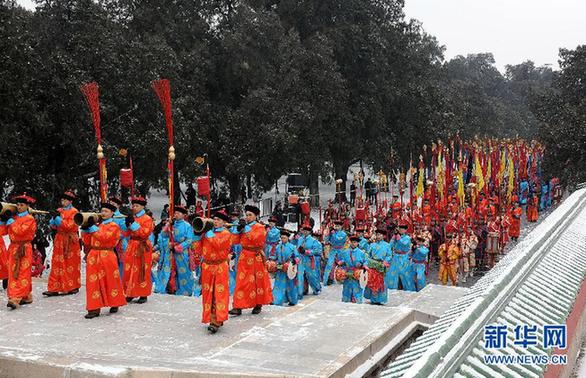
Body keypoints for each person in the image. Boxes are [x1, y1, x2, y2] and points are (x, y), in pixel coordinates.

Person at [79, 202, 127, 318]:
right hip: (94, 255)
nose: (103, 213)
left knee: (110, 280)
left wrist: (92, 228)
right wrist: (85, 230)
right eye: (102, 211)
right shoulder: (97, 225)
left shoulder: (114, 226)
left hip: (107, 255)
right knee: (93, 282)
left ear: (112, 213)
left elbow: (104, 238)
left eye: (106, 211)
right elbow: (87, 241)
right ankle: (94, 308)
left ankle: (115, 302)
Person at [229, 205, 272, 316]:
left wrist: (246, 229)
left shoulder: (260, 227)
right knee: (241, 281)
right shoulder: (244, 226)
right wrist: (237, 230)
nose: (247, 217)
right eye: (246, 215)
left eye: (250, 215)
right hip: (244, 256)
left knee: (258, 281)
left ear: (256, 216)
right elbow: (234, 241)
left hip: (256, 256)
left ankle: (258, 303)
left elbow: (257, 239)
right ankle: (238, 306)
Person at [200, 210, 232, 333]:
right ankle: (214, 317)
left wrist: (208, 233)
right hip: (207, 267)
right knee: (208, 294)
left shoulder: (226, 233)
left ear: (224, 222)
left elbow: (218, 245)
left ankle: (216, 320)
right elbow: (198, 249)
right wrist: (197, 235)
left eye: (218, 220)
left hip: (219, 267)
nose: (215, 221)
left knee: (218, 294)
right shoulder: (208, 233)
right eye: (214, 219)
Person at [3, 193, 37, 309]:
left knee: (22, 272)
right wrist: (3, 221)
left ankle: (15, 298)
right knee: (13, 272)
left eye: (21, 205)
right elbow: (3, 232)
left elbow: (20, 231)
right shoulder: (15, 218)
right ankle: (26, 296)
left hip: (24, 248)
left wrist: (11, 221)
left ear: (27, 206)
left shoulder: (30, 219)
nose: (19, 207)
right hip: (13, 248)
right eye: (17, 204)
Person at [44, 190, 81, 297]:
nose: (62, 201)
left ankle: (73, 286)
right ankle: (54, 287)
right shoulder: (59, 210)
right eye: (62, 199)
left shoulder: (75, 212)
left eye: (65, 200)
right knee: (57, 263)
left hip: (70, 240)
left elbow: (69, 226)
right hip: (60, 239)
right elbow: (53, 226)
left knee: (70, 263)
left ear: (70, 201)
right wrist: (53, 219)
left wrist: (57, 218)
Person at [123, 195, 154, 304]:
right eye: (133, 205)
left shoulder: (147, 219)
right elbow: (126, 233)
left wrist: (133, 224)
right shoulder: (133, 217)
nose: (134, 207)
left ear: (142, 207)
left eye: (137, 205)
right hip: (132, 244)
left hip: (142, 246)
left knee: (142, 269)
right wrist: (126, 225)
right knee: (129, 268)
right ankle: (130, 292)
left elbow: (144, 233)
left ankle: (143, 293)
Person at [158, 205, 194, 295]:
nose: (176, 215)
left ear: (183, 215)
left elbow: (189, 240)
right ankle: (169, 288)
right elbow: (163, 235)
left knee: (182, 270)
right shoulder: (172, 224)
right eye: (175, 213)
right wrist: (168, 225)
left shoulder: (187, 226)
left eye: (178, 213)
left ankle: (185, 290)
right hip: (170, 250)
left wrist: (178, 247)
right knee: (168, 269)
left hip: (181, 251)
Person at [270, 229, 300, 306]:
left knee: (291, 285)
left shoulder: (292, 247)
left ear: (288, 238)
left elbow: (297, 257)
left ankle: (293, 300)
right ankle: (275, 300)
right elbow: (274, 257)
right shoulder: (277, 247)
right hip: (280, 267)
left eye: (284, 238)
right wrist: (271, 260)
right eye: (282, 238)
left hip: (289, 268)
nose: (283, 239)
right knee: (278, 284)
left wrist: (294, 261)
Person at [363, 228, 391, 304]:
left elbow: (389, 255)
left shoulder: (387, 245)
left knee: (381, 282)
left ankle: (380, 299)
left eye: (380, 234)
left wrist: (385, 262)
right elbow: (367, 254)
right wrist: (367, 263)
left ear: (384, 236)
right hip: (372, 265)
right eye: (377, 234)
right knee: (372, 281)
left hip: (381, 266)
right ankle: (373, 299)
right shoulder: (372, 245)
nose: (378, 236)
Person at [387, 221, 415, 291]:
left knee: (406, 274)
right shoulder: (395, 236)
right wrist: (393, 237)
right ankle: (391, 289)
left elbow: (403, 244)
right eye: (400, 228)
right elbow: (390, 245)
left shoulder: (407, 238)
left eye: (403, 229)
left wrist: (397, 236)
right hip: (396, 256)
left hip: (404, 257)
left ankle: (409, 289)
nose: (401, 230)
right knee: (392, 273)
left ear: (406, 230)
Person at [338, 235, 366, 303]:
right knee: (346, 289)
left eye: (355, 242)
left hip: (357, 273)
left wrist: (362, 265)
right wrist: (341, 262)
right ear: (350, 242)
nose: (353, 243)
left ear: (358, 243)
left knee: (357, 289)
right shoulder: (345, 252)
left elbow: (365, 262)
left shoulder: (361, 253)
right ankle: (346, 301)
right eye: (352, 242)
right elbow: (342, 260)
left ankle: (357, 302)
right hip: (347, 273)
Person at [296, 224, 322, 297]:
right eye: (304, 230)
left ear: (310, 232)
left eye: (307, 231)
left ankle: (316, 288)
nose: (305, 232)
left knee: (311, 276)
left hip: (309, 260)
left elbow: (317, 251)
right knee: (300, 275)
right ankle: (302, 291)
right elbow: (297, 248)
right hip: (301, 259)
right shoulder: (300, 239)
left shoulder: (314, 241)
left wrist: (306, 251)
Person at [322, 219, 347, 285]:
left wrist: (333, 234)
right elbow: (326, 241)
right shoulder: (332, 232)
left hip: (341, 250)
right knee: (329, 264)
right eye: (335, 226)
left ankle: (342, 278)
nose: (336, 227)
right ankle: (326, 280)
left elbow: (338, 240)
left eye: (338, 226)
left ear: (341, 227)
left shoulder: (343, 234)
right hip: (333, 249)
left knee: (342, 263)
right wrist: (327, 234)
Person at [109, 196, 129, 280]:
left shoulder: (121, 217)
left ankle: (120, 281)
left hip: (119, 243)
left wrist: (113, 236)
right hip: (108, 243)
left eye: (113, 204)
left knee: (121, 263)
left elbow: (124, 232)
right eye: (110, 204)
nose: (111, 205)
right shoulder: (105, 215)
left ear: (118, 206)